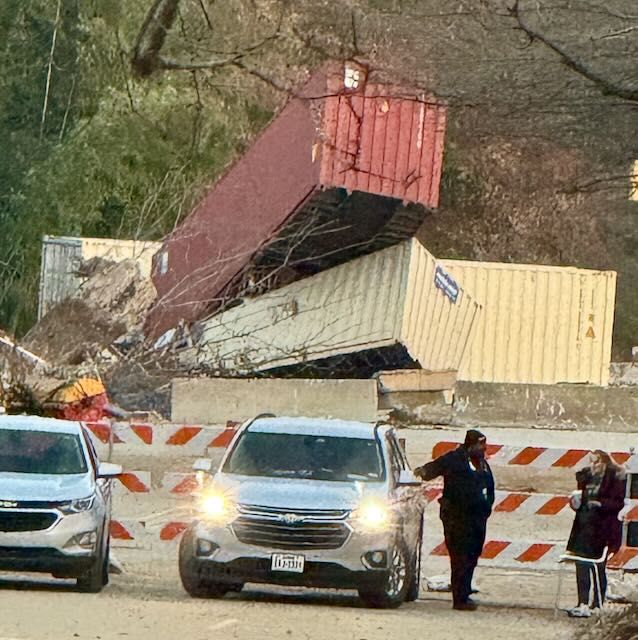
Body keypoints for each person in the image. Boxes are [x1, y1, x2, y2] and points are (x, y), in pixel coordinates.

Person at [414, 429, 494, 611]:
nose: (483, 448)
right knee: (459, 557)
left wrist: (486, 508)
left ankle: (465, 591)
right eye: (481, 445)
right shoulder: (454, 459)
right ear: (471, 445)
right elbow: (432, 469)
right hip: (456, 518)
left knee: (473, 555)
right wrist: (421, 471)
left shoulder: (482, 463)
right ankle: (460, 598)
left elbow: (490, 487)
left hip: (477, 518)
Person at [565, 450, 626, 618]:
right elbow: (580, 491)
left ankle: (597, 603)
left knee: (598, 566)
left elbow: (618, 503)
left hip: (603, 528)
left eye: (597, 462)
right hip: (584, 527)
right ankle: (582, 602)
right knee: (581, 564)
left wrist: (600, 504)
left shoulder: (615, 478)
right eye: (592, 462)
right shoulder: (588, 477)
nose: (594, 466)